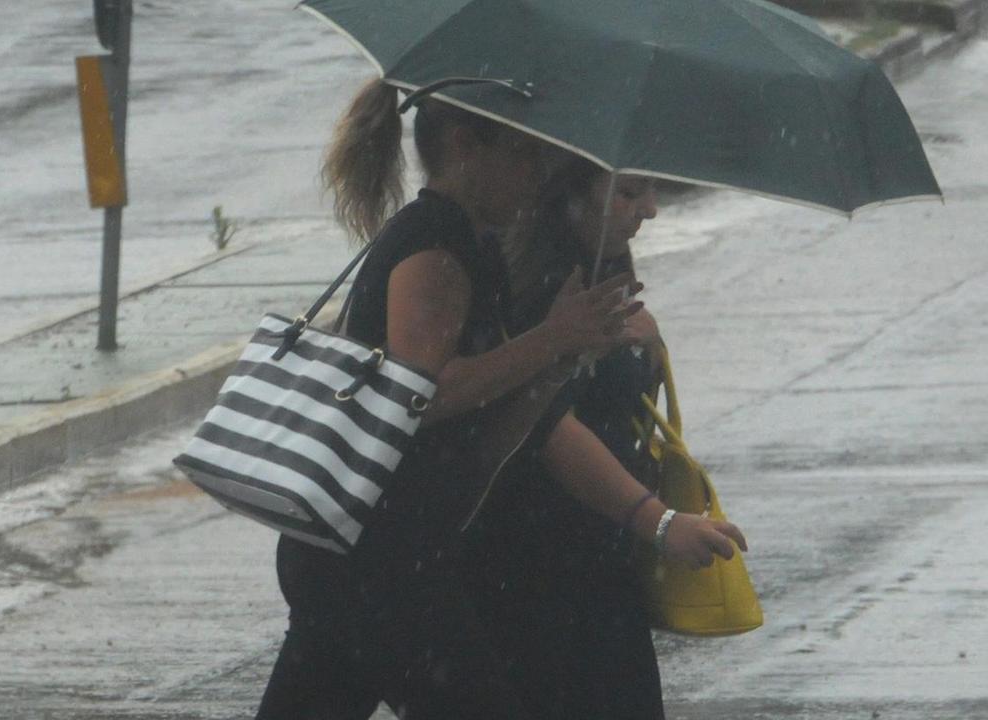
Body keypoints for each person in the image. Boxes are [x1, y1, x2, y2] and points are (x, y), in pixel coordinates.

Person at [255, 79, 744, 719]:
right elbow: (420, 395)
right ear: (465, 145)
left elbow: (503, 428)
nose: (537, 173)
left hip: (373, 553)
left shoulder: (470, 244)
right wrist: (550, 339)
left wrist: (559, 357)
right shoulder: (434, 243)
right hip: (378, 559)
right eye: (522, 154)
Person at [465, 159, 715, 719]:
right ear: (567, 195)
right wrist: (661, 522)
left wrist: (645, 348)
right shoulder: (539, 289)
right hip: (536, 566)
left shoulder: (596, 268)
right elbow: (549, 427)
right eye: (629, 192)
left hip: (593, 556)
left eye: (652, 189)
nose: (649, 208)